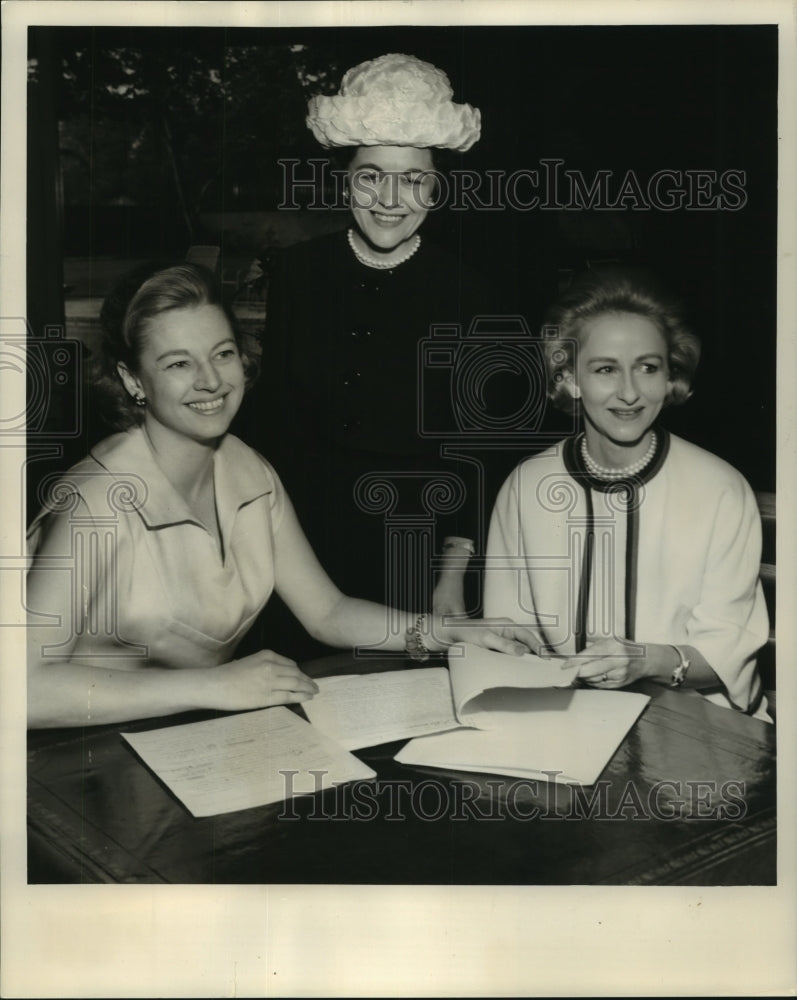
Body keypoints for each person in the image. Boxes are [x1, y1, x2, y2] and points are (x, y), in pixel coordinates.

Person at [26, 263, 540, 729]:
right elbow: (24, 690)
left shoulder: (251, 471)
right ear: (133, 380)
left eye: (222, 354)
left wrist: (443, 633)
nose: (210, 381)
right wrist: (216, 686)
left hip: (188, 740)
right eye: (178, 364)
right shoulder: (93, 502)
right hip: (77, 761)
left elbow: (328, 611)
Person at [237, 53, 515, 651]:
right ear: (345, 177)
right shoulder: (297, 272)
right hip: (298, 551)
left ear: (438, 187)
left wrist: (452, 575)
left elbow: (477, 452)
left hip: (411, 551)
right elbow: (274, 419)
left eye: (414, 178)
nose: (391, 198)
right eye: (371, 175)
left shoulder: (474, 294)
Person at [483, 270, 771, 720]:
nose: (631, 392)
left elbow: (725, 657)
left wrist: (643, 660)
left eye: (648, 367)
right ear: (569, 378)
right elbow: (507, 636)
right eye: (605, 370)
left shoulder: (721, 490)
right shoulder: (526, 485)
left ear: (669, 376)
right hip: (561, 716)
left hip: (698, 726)